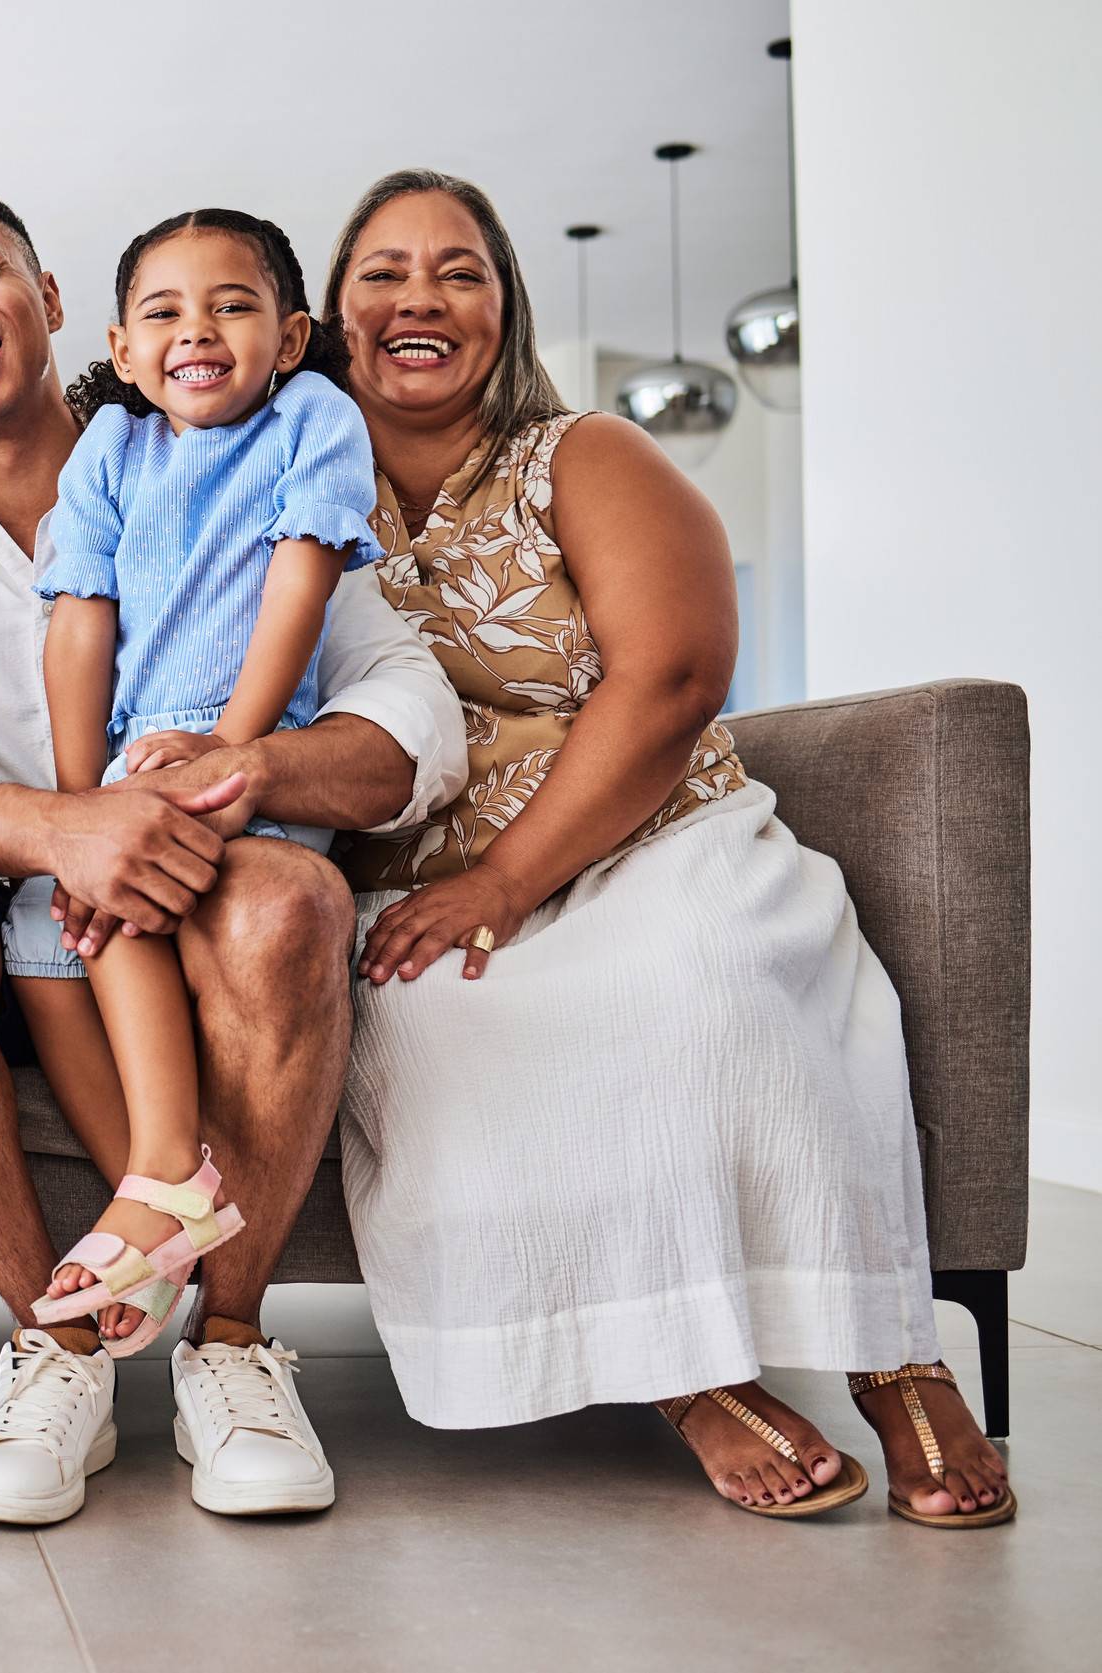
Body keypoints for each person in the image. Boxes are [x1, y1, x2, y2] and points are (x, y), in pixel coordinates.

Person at [326, 167, 1014, 1528]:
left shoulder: (577, 456)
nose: (421, 297)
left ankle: (892, 1347)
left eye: (459, 270)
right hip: (408, 887)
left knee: (707, 971)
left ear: (503, 307)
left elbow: (676, 675)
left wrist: (512, 881)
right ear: (330, 319)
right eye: (385, 273)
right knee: (449, 1026)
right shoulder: (282, 493)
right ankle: (682, 1374)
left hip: (649, 834)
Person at [0, 180, 466, 1524]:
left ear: (49, 308)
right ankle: (62, 1339)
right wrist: (72, 824)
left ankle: (230, 1342)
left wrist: (245, 767)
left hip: (214, 850)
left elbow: (413, 719)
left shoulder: (245, 450)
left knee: (288, 897)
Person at [32, 210, 380, 1355]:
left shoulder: (313, 418)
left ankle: (167, 1184)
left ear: (289, 337)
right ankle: (167, 1162)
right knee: (102, 898)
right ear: (125, 351)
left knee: (158, 897)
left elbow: (300, 583)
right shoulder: (109, 450)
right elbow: (80, 626)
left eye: (232, 305)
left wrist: (231, 749)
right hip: (137, 758)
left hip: (256, 748)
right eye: (165, 313)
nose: (199, 330)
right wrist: (80, 805)